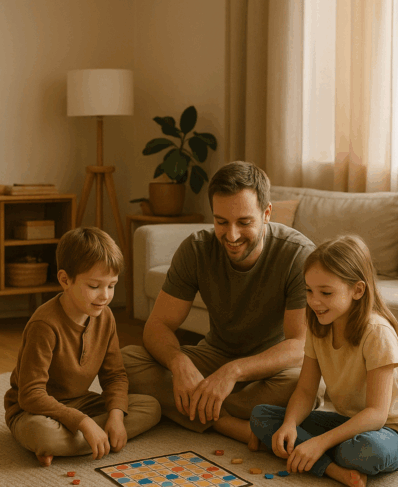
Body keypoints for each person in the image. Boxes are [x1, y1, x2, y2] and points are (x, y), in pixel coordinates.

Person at [122, 161, 320, 444]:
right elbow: (158, 325)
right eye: (221, 222)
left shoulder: (298, 255)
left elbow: (300, 346)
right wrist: (179, 364)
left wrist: (233, 372)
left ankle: (199, 409)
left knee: (306, 385)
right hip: (214, 356)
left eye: (244, 222)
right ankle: (229, 422)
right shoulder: (196, 249)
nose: (232, 235)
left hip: (270, 369)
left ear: (266, 213)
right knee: (124, 363)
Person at [249, 236, 398, 487]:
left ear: (357, 290)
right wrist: (289, 424)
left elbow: (376, 415)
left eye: (326, 293)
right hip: (348, 425)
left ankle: (312, 453)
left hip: (390, 433)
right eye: (309, 291)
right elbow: (306, 391)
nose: (314, 301)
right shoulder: (319, 328)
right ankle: (333, 470)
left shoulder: (377, 333)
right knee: (261, 415)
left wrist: (320, 442)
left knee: (363, 451)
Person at [4, 227, 161, 467]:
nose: (105, 296)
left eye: (111, 285)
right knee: (42, 432)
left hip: (80, 402)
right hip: (34, 410)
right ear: (65, 280)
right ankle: (79, 438)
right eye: (95, 286)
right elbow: (30, 395)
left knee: (151, 407)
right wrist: (84, 423)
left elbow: (115, 376)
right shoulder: (44, 324)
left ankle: (70, 443)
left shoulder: (105, 317)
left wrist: (116, 417)